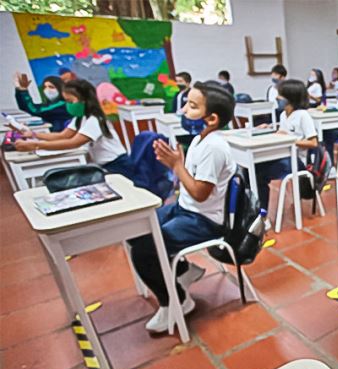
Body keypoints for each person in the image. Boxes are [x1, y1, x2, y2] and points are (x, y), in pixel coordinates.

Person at [129, 81, 236, 333]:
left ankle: (176, 300)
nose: (184, 110)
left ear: (211, 118)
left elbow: (200, 193)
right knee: (135, 230)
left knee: (143, 251)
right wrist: (177, 163)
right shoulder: (200, 139)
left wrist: (176, 165)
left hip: (204, 221)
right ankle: (186, 269)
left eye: (192, 106)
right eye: (187, 103)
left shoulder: (214, 147)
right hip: (184, 208)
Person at [14, 79, 130, 174]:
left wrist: (36, 145)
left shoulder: (95, 119)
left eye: (70, 101)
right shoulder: (80, 117)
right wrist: (34, 135)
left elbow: (73, 142)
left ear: (84, 100)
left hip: (118, 165)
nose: (68, 105)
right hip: (105, 164)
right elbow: (62, 135)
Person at [255, 79, 318, 212]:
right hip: (284, 156)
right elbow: (285, 131)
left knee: (260, 174)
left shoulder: (303, 115)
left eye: (281, 95)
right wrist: (271, 127)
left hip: (297, 161)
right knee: (255, 168)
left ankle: (262, 214)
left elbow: (313, 143)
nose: (277, 98)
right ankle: (258, 210)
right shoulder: (284, 114)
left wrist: (290, 140)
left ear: (291, 98)